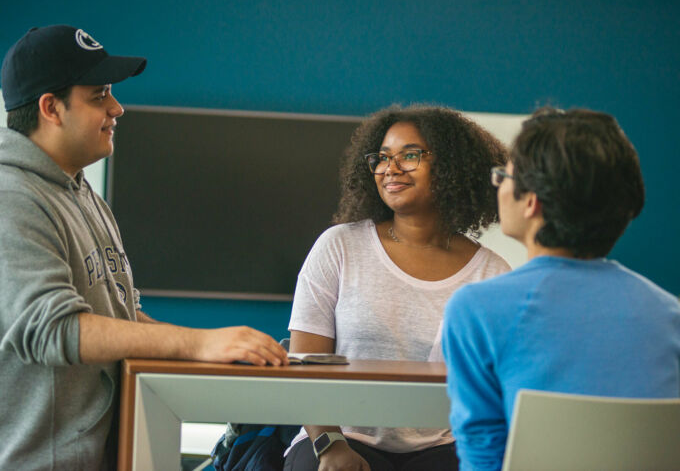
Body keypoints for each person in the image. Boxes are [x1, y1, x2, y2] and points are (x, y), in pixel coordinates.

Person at [0, 25, 288, 470]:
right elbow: (55, 329)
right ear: (50, 108)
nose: (117, 108)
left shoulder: (84, 195)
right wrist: (195, 343)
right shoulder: (11, 196)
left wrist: (222, 356)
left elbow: (121, 318)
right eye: (99, 96)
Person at [441, 107, 680, 471]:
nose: (499, 185)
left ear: (532, 201)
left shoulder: (476, 309)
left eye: (504, 174)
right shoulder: (671, 315)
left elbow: (483, 455)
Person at [283, 105, 511, 471]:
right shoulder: (339, 246)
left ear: (452, 166)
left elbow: (493, 390)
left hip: (443, 447)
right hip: (339, 436)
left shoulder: (492, 272)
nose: (390, 168)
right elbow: (302, 367)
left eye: (409, 155)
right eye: (382, 157)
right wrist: (330, 445)